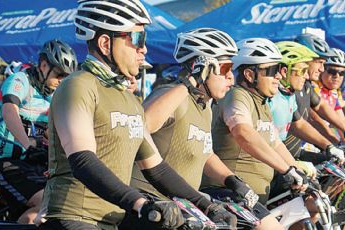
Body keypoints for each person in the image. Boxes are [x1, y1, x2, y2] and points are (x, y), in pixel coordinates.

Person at [38, 1, 236, 229]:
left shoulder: (129, 99)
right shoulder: (78, 86)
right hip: (74, 217)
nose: (145, 49)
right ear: (105, 43)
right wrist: (141, 203)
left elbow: (156, 169)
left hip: (114, 220)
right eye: (137, 39)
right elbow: (83, 160)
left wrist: (208, 207)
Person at [130, 31, 279, 230]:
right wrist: (190, 81)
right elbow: (143, 125)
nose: (230, 78)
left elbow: (205, 153)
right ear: (199, 67)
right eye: (224, 68)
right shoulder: (172, 94)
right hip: (150, 206)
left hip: (183, 205)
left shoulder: (205, 107)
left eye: (232, 70)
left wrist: (233, 181)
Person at [200, 37, 308, 213]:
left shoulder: (263, 103)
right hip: (227, 194)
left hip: (251, 199)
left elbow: (275, 143)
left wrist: (296, 171)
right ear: (250, 75)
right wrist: (286, 169)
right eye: (272, 70)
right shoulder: (238, 95)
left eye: (279, 69)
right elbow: (243, 132)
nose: (279, 76)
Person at [0, 39, 77, 224]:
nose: (62, 80)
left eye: (67, 77)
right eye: (59, 74)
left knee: (65, 199)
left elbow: (51, 130)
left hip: (31, 162)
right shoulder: (21, 80)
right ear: (44, 65)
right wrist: (27, 145)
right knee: (47, 204)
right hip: (5, 160)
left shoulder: (53, 92)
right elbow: (9, 112)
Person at [283, 33, 345, 160]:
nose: (322, 69)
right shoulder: (289, 89)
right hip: (286, 157)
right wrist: (331, 145)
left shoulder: (306, 85)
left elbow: (321, 105)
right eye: (320, 63)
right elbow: (309, 121)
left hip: (295, 153)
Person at [312, 48, 345, 140]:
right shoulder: (313, 88)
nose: (337, 76)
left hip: (323, 141)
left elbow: (342, 122)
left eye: (341, 73)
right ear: (322, 70)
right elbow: (316, 120)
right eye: (332, 71)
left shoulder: (334, 92)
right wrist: (335, 143)